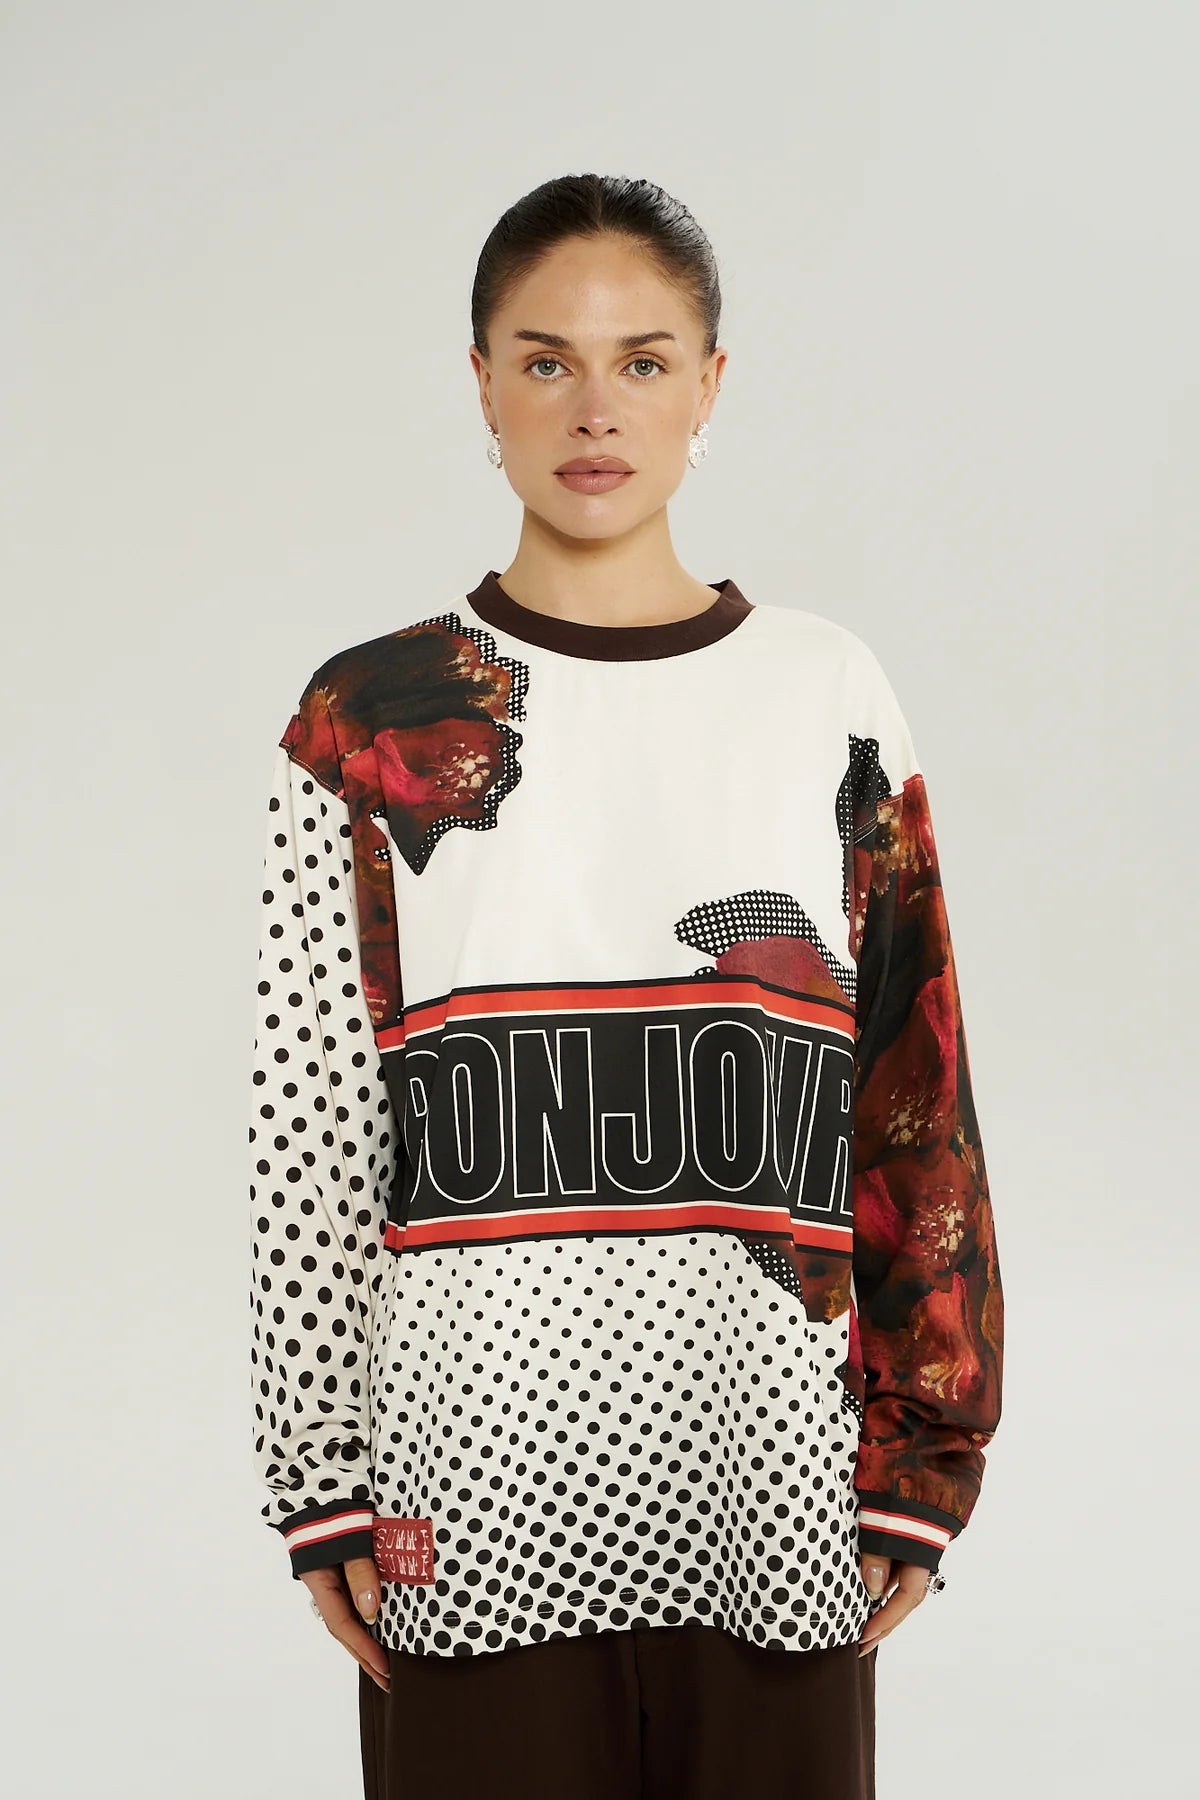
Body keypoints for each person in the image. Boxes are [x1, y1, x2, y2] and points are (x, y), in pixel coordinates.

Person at [248, 172, 1004, 1800]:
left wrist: (927, 1449)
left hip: (774, 1487)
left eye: (643, 361)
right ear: (481, 383)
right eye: (547, 360)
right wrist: (318, 1477)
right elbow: (311, 1121)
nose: (595, 409)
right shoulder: (369, 717)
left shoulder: (825, 692)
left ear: (709, 384)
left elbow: (914, 1089)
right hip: (473, 1490)